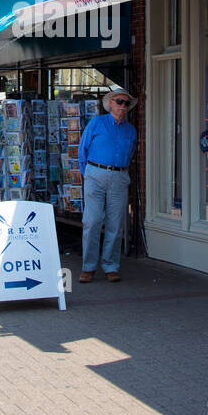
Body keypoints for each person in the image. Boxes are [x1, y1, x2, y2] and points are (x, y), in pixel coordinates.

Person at [78, 89, 137, 283]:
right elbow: (83, 149)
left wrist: (122, 173)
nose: (123, 106)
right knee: (92, 221)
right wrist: (87, 174)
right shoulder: (97, 123)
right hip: (95, 173)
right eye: (120, 102)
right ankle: (88, 267)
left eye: (126, 104)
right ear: (110, 103)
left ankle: (110, 266)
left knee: (115, 223)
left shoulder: (130, 130)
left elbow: (130, 154)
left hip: (119, 176)